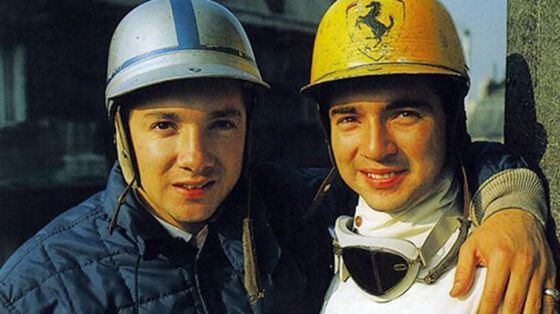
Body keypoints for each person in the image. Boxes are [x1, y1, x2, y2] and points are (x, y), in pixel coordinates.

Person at [0, 0, 554, 312]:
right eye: (164, 126)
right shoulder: (36, 288)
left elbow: (424, 167)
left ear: (249, 125)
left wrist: (512, 205)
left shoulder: (292, 210)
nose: (196, 158)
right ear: (123, 132)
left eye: (222, 123)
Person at [298, 0, 558, 312]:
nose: (375, 148)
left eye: (405, 115)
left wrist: (514, 206)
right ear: (328, 133)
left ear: (451, 123)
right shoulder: (309, 245)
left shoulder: (504, 275)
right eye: (349, 119)